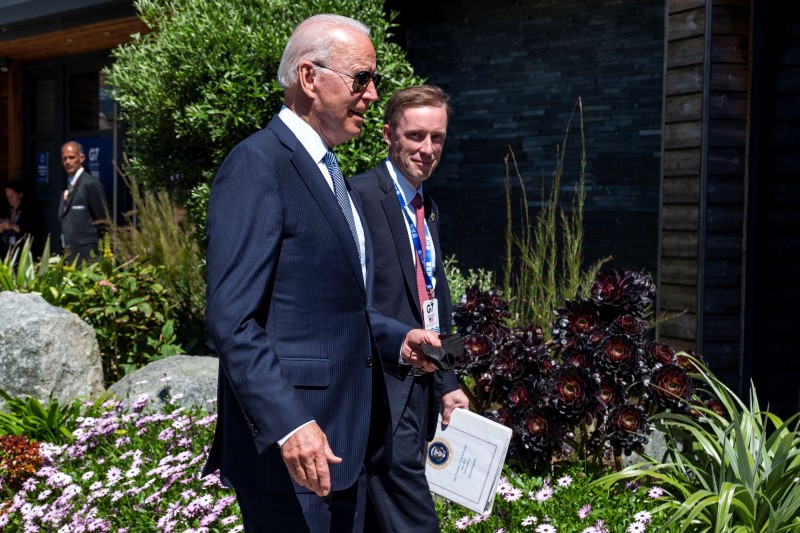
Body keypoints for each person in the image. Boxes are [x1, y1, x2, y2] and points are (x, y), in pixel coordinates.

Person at [201, 14, 442, 533]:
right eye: (362, 78)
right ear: (310, 78)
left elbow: (334, 306)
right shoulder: (257, 164)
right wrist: (290, 423)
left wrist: (397, 339)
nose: (374, 94)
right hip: (293, 457)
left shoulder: (331, 174)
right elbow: (231, 320)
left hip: (344, 449)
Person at [349, 85, 469, 533]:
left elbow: (434, 300)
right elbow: (350, 302)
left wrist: (448, 382)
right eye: (415, 135)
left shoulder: (426, 205)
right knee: (413, 515)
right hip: (381, 384)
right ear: (387, 135)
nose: (427, 149)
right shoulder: (358, 196)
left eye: (437, 138)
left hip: (422, 384)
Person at [59, 141, 109, 263]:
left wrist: (106, 252)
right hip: (69, 254)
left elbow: (103, 222)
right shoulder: (68, 185)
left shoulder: (90, 184)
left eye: (71, 157)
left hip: (87, 256)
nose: (67, 162)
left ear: (81, 158)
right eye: (64, 158)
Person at [0, 180, 33, 258]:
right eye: (7, 197)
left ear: (20, 195)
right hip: (6, 250)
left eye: (11, 196)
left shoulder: (27, 211)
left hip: (22, 251)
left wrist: (12, 226)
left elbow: (28, 231)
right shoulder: (6, 210)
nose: (9, 199)